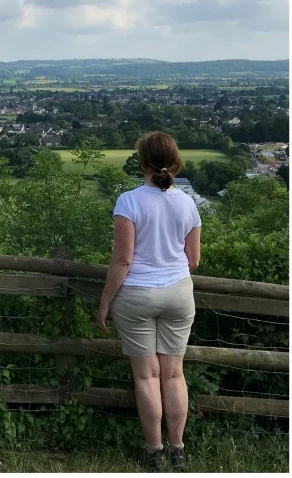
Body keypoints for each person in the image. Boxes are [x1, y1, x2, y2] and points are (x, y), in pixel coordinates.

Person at [97, 131, 201, 472]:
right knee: (174, 375)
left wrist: (105, 302)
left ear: (142, 162)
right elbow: (194, 260)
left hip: (136, 296)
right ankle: (178, 450)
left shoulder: (129, 201)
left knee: (146, 377)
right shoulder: (187, 202)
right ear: (175, 162)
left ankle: (154, 452)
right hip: (178, 294)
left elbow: (122, 261)